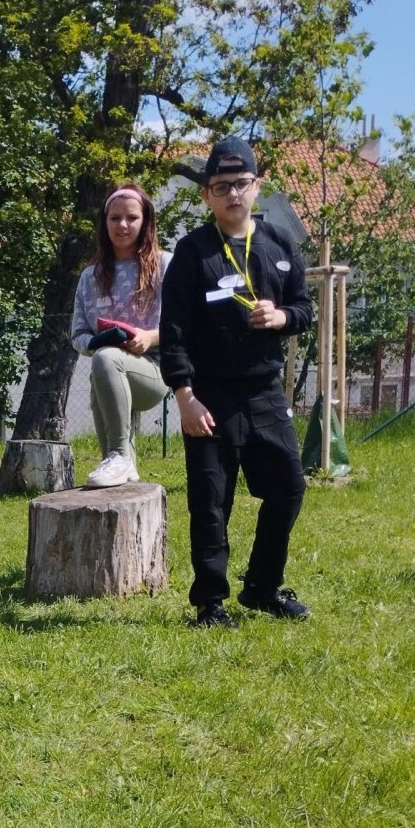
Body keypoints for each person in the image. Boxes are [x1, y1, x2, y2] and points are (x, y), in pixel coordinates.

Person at [159, 135, 312, 629]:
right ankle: (210, 603)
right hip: (209, 395)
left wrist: (282, 317)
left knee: (288, 487)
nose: (233, 194)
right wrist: (185, 396)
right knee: (211, 501)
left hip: (265, 392)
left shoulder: (279, 242)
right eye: (222, 186)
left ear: (256, 186)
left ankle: (262, 588)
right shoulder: (192, 251)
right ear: (206, 193)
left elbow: (304, 309)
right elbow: (173, 332)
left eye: (241, 183)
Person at [70, 184, 172, 488]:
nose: (122, 225)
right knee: (103, 361)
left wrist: (150, 337)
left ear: (145, 221)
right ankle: (120, 466)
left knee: (105, 360)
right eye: (115, 218)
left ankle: (119, 455)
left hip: (156, 371)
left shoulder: (165, 265)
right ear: (104, 223)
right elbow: (77, 335)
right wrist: (99, 342)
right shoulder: (89, 277)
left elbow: (187, 326)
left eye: (131, 217)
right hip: (107, 367)